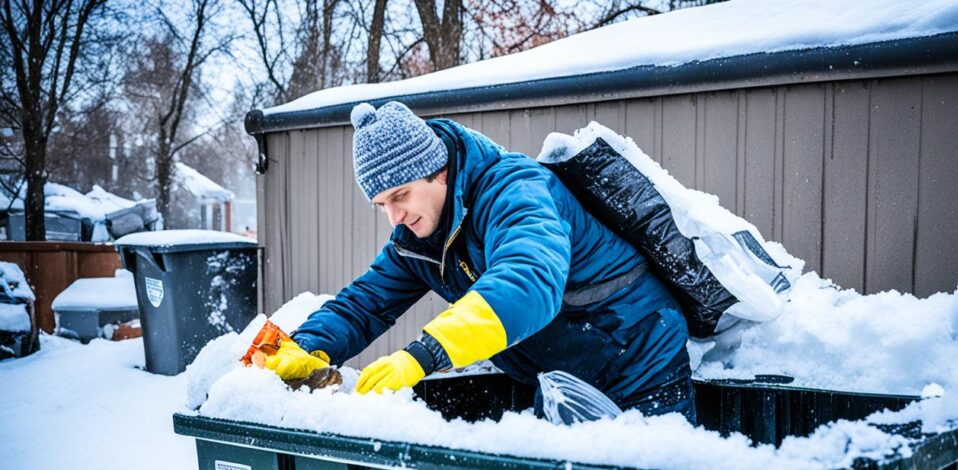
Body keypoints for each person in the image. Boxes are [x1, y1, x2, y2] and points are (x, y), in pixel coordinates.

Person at [267, 101, 696, 419]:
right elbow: (363, 303)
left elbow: (527, 283)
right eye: (381, 204)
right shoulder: (419, 238)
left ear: (439, 171)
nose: (394, 216)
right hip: (558, 377)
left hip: (639, 360)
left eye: (400, 196)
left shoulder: (515, 190)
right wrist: (306, 349)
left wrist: (424, 354)